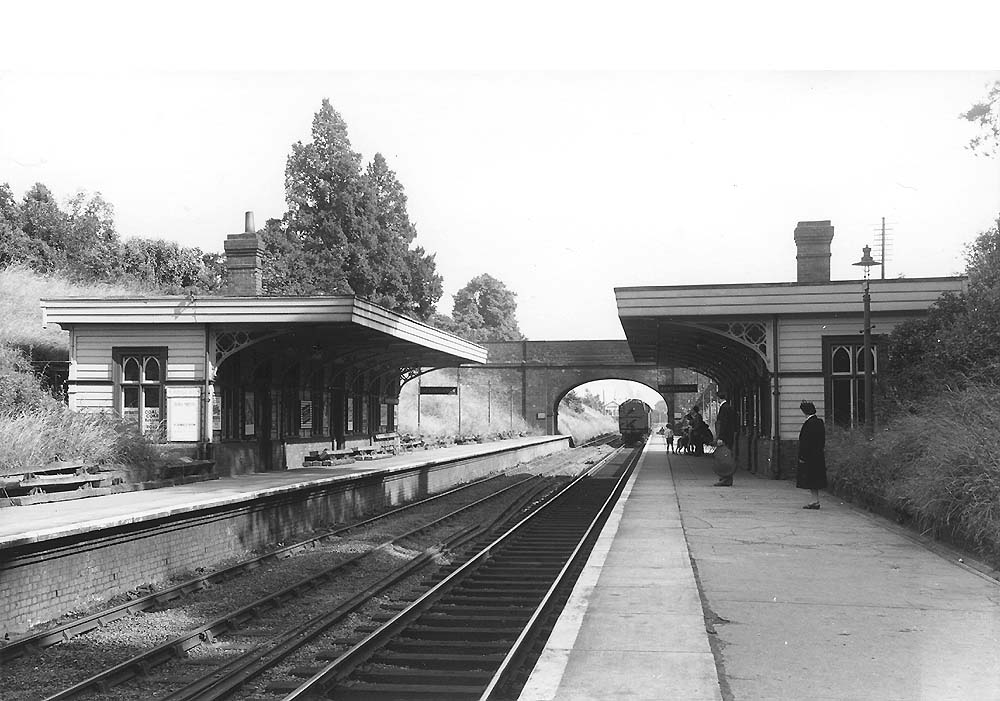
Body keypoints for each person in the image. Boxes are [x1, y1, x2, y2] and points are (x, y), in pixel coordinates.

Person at [796, 400, 827, 509]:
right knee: (815, 479)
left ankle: (815, 501)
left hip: (810, 456)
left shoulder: (809, 424)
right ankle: (815, 500)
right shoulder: (819, 422)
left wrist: (802, 456)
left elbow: (805, 442)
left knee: (811, 479)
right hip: (818, 455)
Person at [712, 392, 738, 487]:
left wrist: (721, 437)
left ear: (718, 398)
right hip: (729, 436)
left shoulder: (724, 408)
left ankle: (726, 478)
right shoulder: (729, 407)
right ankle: (725, 477)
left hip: (725, 437)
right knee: (726, 457)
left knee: (724, 458)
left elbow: (723, 424)